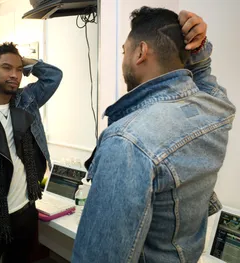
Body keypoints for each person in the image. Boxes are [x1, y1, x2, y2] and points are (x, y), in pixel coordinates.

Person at [72, 7, 236, 263]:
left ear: (141, 52)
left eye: (125, 51)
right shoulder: (217, 112)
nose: (124, 58)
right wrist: (199, 49)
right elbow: (206, 81)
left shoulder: (127, 141)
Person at [0, 42, 62, 263]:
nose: (14, 75)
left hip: (24, 212)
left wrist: (28, 63)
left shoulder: (27, 100)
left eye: (18, 70)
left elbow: (54, 77)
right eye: (6, 68)